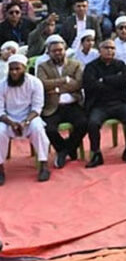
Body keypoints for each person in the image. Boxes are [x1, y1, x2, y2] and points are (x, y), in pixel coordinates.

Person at [82, 39, 126, 168]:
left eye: (113, 48)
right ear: (99, 50)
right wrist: (114, 82)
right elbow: (90, 85)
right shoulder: (91, 67)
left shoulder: (120, 65)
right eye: (107, 48)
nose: (110, 50)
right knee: (93, 123)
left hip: (119, 103)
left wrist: (104, 80)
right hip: (99, 104)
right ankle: (96, 153)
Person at [38, 36, 87, 169]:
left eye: (60, 50)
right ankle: (67, 150)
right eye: (54, 51)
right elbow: (42, 84)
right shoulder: (42, 67)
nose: (58, 53)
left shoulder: (75, 64)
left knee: (83, 123)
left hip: (73, 105)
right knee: (49, 129)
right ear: (49, 52)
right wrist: (65, 80)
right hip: (53, 106)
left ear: (65, 50)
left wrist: (57, 88)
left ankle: (63, 151)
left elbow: (78, 84)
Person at [0, 54, 50, 184]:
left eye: (17, 69)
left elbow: (37, 108)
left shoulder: (35, 83)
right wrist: (11, 123)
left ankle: (44, 164)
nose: (14, 72)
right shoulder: (2, 85)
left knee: (38, 128)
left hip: (29, 118)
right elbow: (0, 110)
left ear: (25, 68)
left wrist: (25, 122)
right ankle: (0, 168)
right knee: (0, 132)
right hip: (8, 120)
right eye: (11, 69)